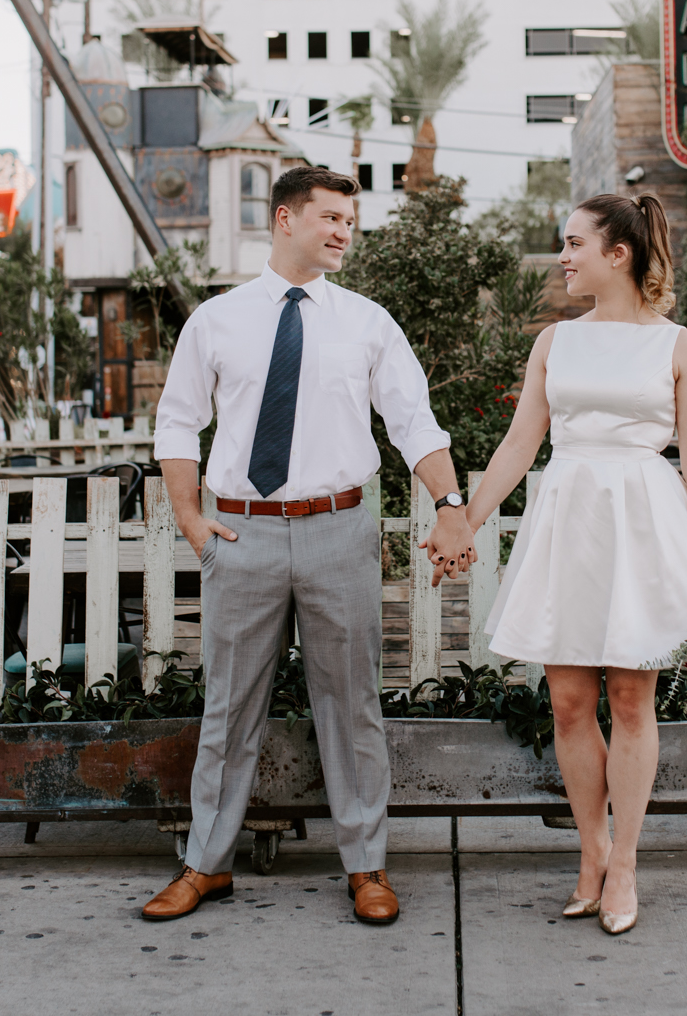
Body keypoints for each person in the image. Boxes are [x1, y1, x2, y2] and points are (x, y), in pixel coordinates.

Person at [143, 164, 478, 926]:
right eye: (328, 218)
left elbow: (414, 423)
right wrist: (193, 522)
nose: (341, 233)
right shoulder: (217, 320)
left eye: (349, 223)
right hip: (243, 532)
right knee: (229, 708)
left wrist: (450, 503)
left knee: (352, 702)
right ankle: (206, 863)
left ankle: (366, 865)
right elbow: (176, 422)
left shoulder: (367, 322)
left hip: (339, 529)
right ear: (285, 218)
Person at [465, 193, 687, 936]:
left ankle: (626, 864)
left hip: (640, 519)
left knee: (630, 700)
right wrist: (466, 516)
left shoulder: (680, 346)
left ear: (617, 253)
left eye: (574, 242)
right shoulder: (555, 341)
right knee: (568, 702)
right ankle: (591, 850)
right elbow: (520, 444)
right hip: (570, 515)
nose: (564, 255)